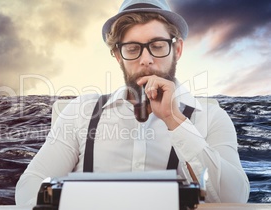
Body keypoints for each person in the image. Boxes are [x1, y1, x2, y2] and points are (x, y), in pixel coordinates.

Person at [15, 0, 250, 205]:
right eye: (133, 49)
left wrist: (175, 120)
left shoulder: (211, 118)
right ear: (118, 55)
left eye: (157, 46)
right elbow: (29, 188)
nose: (146, 60)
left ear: (176, 50)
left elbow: (235, 199)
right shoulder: (81, 111)